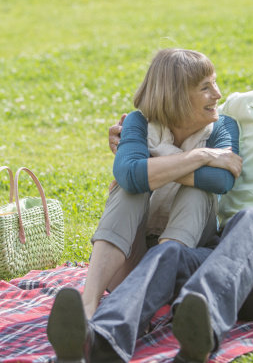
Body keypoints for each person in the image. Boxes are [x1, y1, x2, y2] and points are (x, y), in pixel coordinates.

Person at [47, 4, 253, 363]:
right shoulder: (239, 107)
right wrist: (127, 139)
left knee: (252, 221)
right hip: (224, 254)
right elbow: (181, 120)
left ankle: (198, 335)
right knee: (169, 255)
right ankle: (98, 341)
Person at [78, 48, 241, 318]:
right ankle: (87, 304)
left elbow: (220, 179)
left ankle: (152, 287)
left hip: (182, 264)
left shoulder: (223, 127)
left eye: (215, 83)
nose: (217, 94)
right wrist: (201, 156)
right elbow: (128, 176)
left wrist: (151, 167)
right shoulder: (138, 122)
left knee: (198, 191)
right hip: (128, 260)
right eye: (205, 87)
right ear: (176, 96)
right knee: (128, 190)